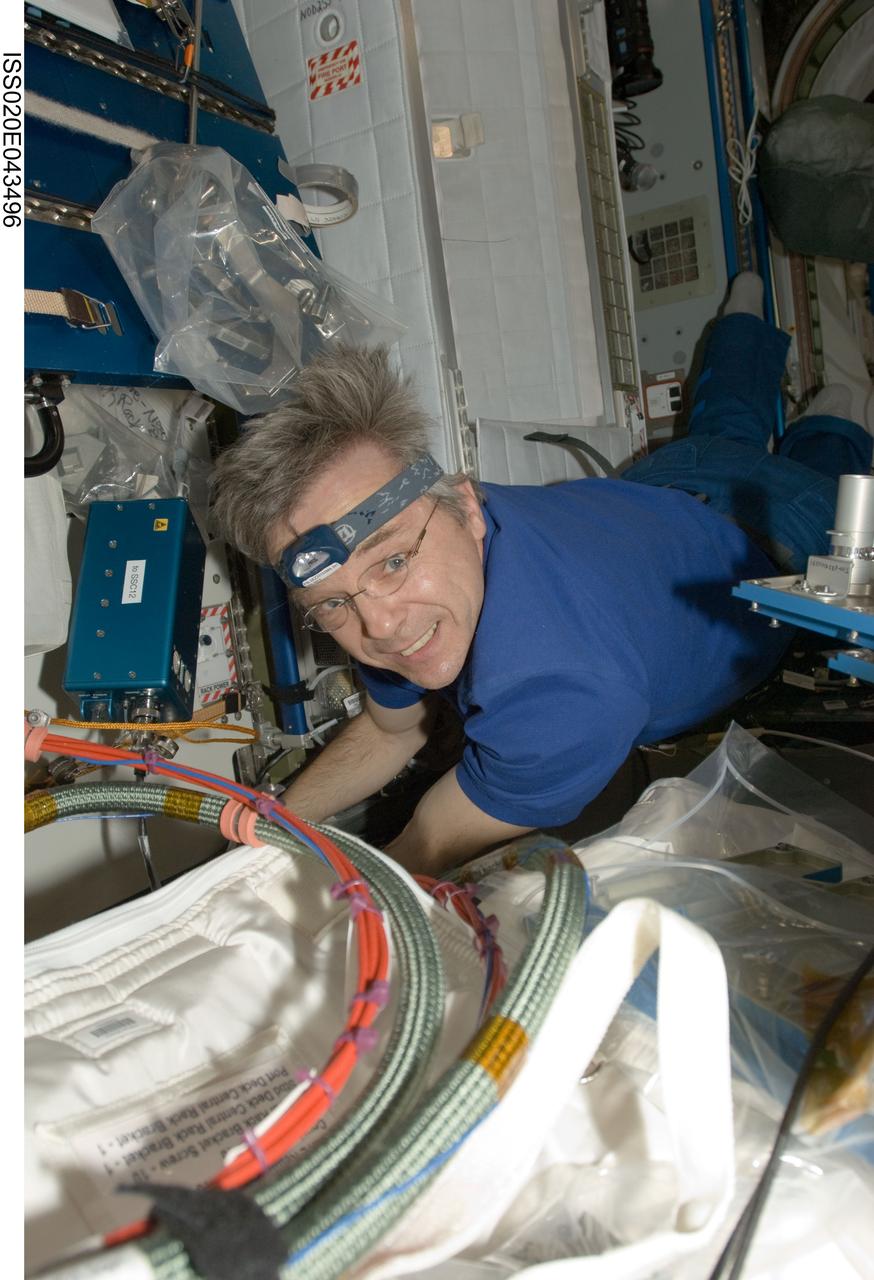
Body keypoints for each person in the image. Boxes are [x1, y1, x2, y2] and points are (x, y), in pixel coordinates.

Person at [210, 274, 873, 875]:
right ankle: (750, 317)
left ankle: (834, 414)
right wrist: (267, 826)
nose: (378, 626)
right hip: (670, 484)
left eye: (393, 561)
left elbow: (422, 850)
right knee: (726, 419)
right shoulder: (431, 529)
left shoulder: (558, 698)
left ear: (467, 507)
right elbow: (392, 729)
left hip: (783, 534)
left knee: (825, 456)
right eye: (332, 605)